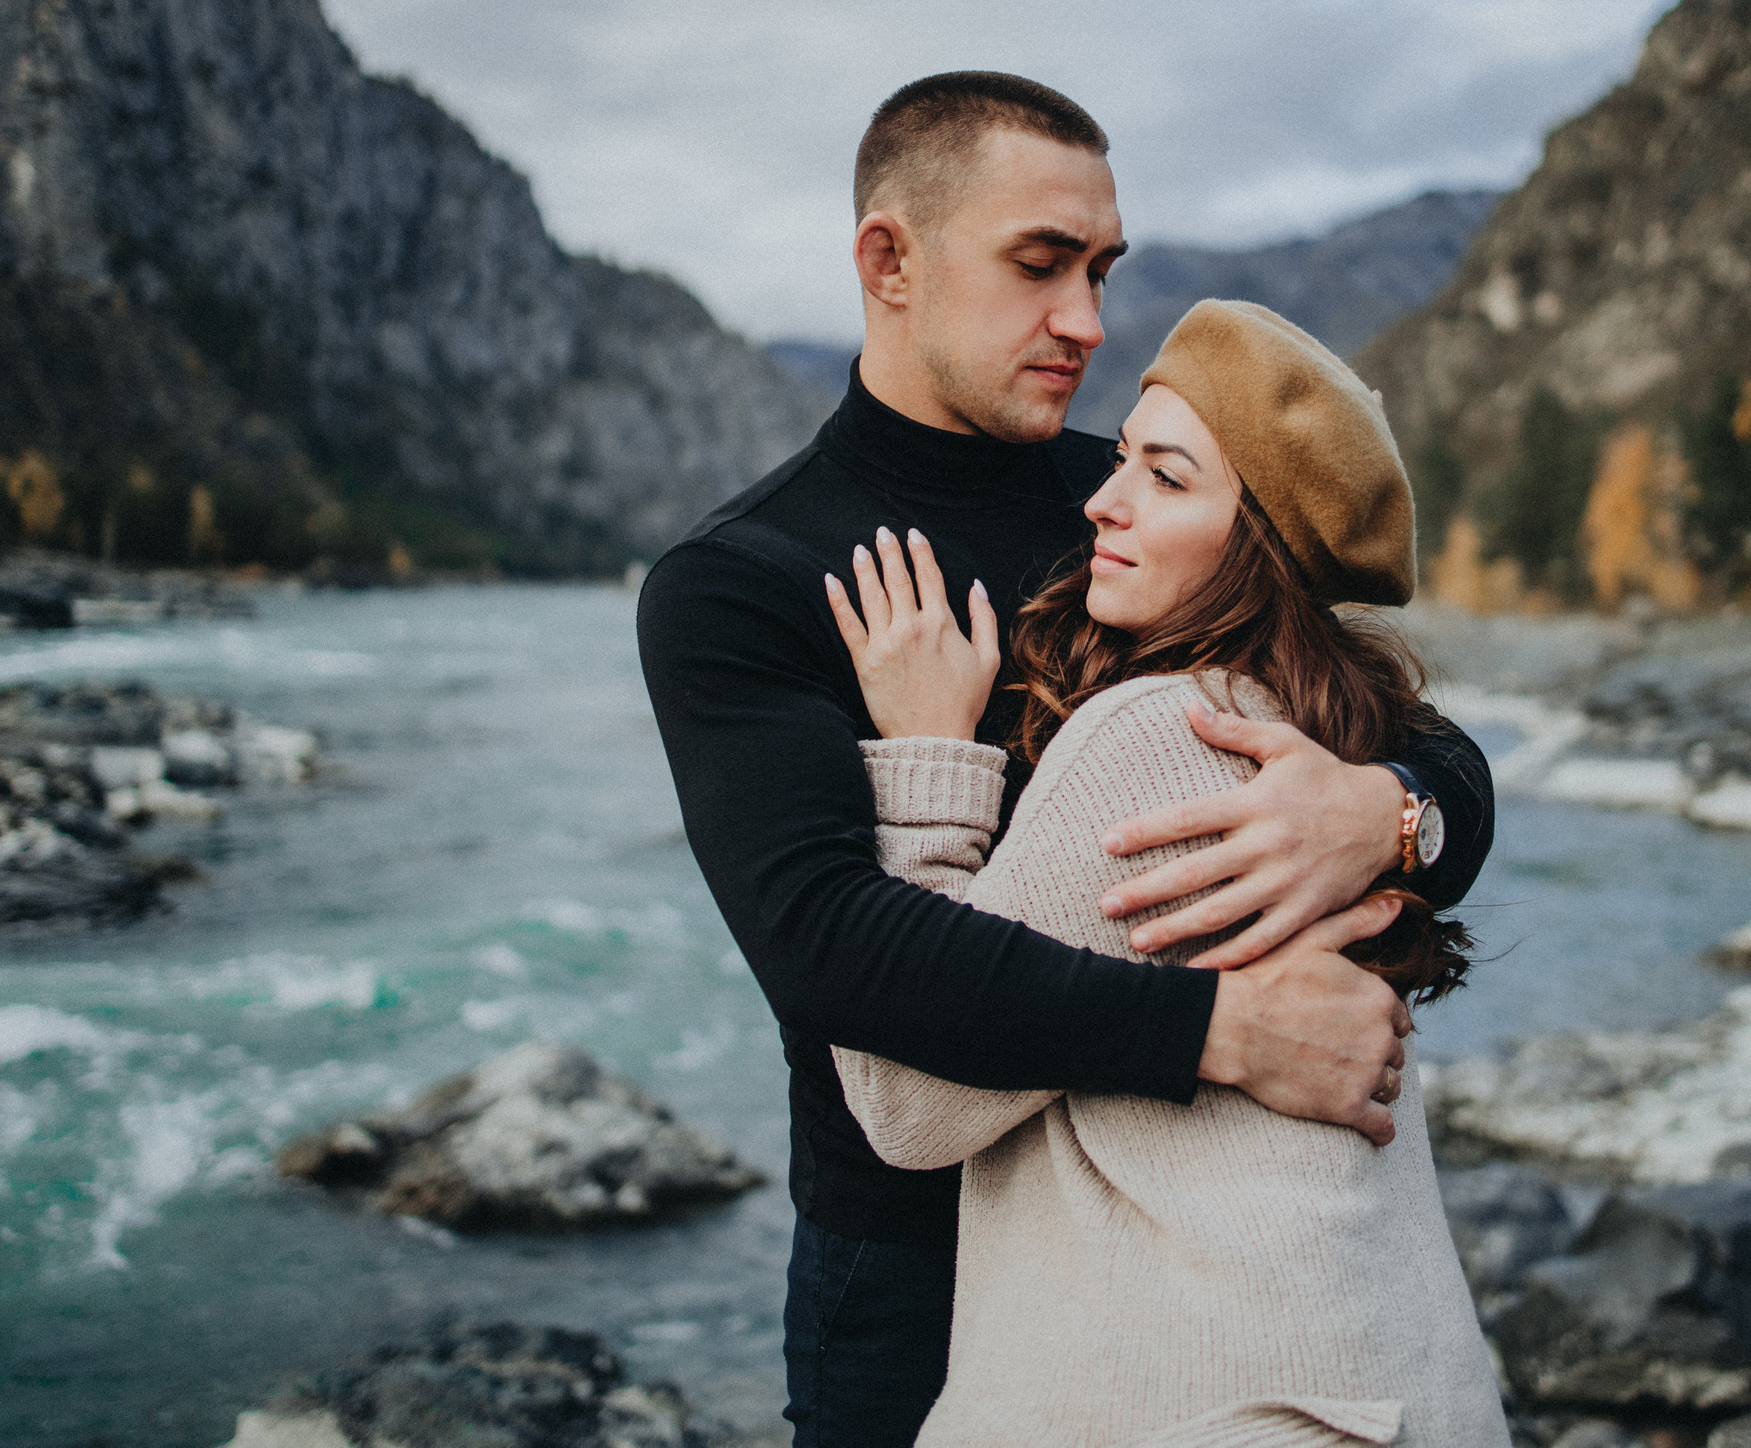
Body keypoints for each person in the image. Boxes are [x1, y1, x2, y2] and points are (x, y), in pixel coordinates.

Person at [635, 72, 1494, 1447]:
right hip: (904, 1252)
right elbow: (829, 944)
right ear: (887, 260)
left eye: (1101, 269)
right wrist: (1223, 1031)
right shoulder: (743, 578)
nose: (1088, 321)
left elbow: (1417, 733)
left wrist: (1386, 813)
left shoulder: (1134, 505)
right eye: (1041, 265)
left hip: (1184, 1235)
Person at [822, 298, 1510, 1447]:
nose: (1104, 497)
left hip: (1224, 1407)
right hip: (1397, 1384)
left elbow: (909, 1103)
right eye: (1122, 457)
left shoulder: (1156, 734)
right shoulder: (1340, 730)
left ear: (1257, 547)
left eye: (1166, 476)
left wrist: (924, 763)